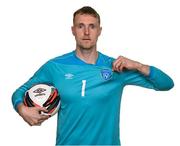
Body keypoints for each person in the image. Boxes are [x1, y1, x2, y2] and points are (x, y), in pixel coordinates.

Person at [12, 6, 174, 145]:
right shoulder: (56, 66)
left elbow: (167, 84)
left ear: (100, 31)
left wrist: (138, 65)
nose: (87, 32)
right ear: (73, 30)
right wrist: (22, 109)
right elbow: (20, 91)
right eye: (81, 26)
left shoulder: (117, 67)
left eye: (92, 26)